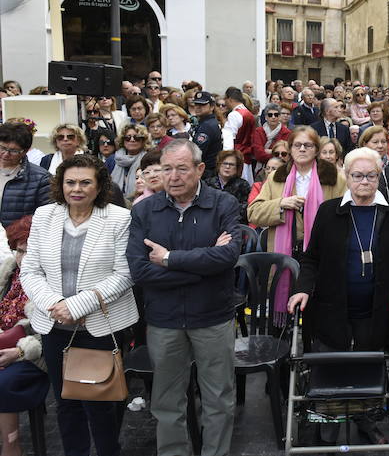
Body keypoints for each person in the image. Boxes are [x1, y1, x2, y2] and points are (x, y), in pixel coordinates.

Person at [286, 146, 389, 443]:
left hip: (377, 308)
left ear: (379, 177)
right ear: (347, 176)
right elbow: (311, 259)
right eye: (357, 175)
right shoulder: (329, 212)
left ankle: (368, 419)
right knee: (331, 365)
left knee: (369, 364)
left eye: (371, 175)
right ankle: (328, 423)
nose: (364, 182)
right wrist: (303, 288)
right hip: (332, 308)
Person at [126, 140, 241, 456]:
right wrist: (203, 266)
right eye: (166, 169)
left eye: (182, 168)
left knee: (219, 398)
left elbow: (228, 256)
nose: (173, 176)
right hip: (164, 320)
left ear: (200, 169)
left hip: (213, 317)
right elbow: (139, 270)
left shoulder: (223, 204)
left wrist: (170, 259)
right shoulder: (145, 211)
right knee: (167, 401)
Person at [20, 154, 138, 456]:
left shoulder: (119, 218)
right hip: (54, 326)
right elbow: (30, 270)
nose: (77, 188)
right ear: (60, 184)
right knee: (65, 403)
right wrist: (55, 304)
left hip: (98, 326)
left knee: (100, 404)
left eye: (86, 182)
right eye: (70, 182)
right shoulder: (45, 216)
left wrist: (77, 306)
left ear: (99, 186)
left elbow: (124, 274)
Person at [248, 126, 347, 253]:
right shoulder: (276, 177)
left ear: (316, 150)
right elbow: (253, 213)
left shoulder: (335, 179)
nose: (302, 149)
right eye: (297, 145)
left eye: (308, 145)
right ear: (290, 149)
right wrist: (281, 204)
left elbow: (345, 217)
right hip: (284, 252)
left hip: (322, 251)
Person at [0, 216, 50, 456]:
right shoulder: (9, 273)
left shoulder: (51, 280)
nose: (23, 258)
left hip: (36, 354)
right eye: (19, 251)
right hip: (4, 343)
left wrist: (19, 351)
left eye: (30, 251)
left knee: (3, 382)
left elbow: (54, 333)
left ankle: (12, 445)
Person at [0, 122, 51, 227]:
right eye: (2, 148)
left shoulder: (41, 178)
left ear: (25, 151)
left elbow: (45, 217)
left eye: (13, 151)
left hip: (18, 239)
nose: (5, 154)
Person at [221, 86, 258, 183]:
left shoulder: (234, 115)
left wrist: (225, 157)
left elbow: (228, 138)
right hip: (247, 156)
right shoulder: (248, 113)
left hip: (237, 156)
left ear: (229, 99)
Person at [205, 150, 252, 224]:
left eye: (231, 164)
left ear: (237, 168)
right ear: (219, 165)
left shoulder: (243, 185)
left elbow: (245, 210)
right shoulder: (208, 184)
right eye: (225, 163)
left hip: (234, 225)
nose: (227, 167)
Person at [111, 123, 151, 199]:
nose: (132, 140)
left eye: (136, 137)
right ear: (123, 140)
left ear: (143, 141)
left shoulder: (148, 159)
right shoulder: (112, 159)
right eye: (127, 138)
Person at [190, 91, 223, 178]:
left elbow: (198, 152)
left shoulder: (207, 126)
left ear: (212, 107)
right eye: (196, 104)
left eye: (202, 105)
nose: (197, 107)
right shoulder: (207, 122)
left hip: (206, 172)